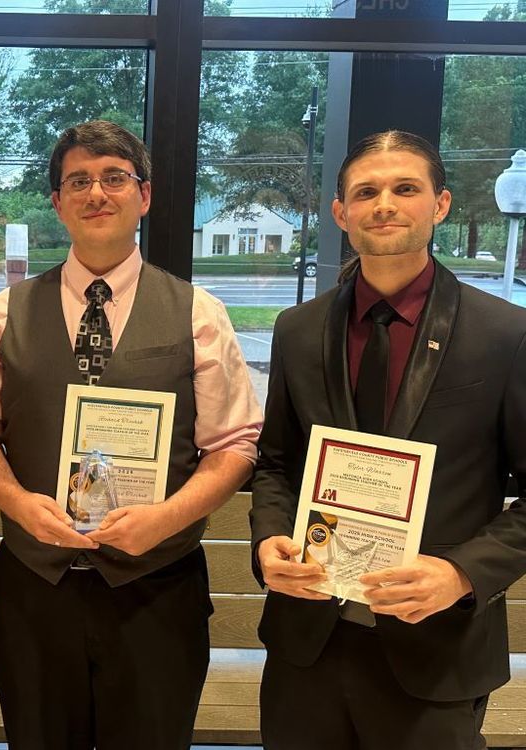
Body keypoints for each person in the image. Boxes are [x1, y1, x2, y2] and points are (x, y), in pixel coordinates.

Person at [0, 120, 262, 750]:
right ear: (57, 202)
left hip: (156, 591)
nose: (96, 193)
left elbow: (234, 445)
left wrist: (166, 519)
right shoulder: (5, 313)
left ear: (143, 195)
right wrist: (17, 503)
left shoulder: (199, 313)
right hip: (36, 591)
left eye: (114, 178)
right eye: (79, 181)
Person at [250, 130, 526, 750]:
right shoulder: (297, 330)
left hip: (436, 648)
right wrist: (268, 539)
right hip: (307, 645)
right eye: (365, 192)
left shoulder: (506, 335)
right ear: (341, 213)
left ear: (440, 204)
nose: (384, 205)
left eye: (405, 189)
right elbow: (276, 464)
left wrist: (461, 574)